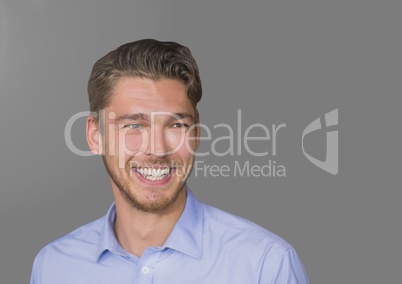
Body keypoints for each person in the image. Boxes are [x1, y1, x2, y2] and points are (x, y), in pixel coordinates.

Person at [29, 39, 310, 283]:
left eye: (176, 126)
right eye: (133, 126)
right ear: (95, 135)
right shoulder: (53, 266)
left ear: (196, 134)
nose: (157, 150)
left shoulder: (266, 265)